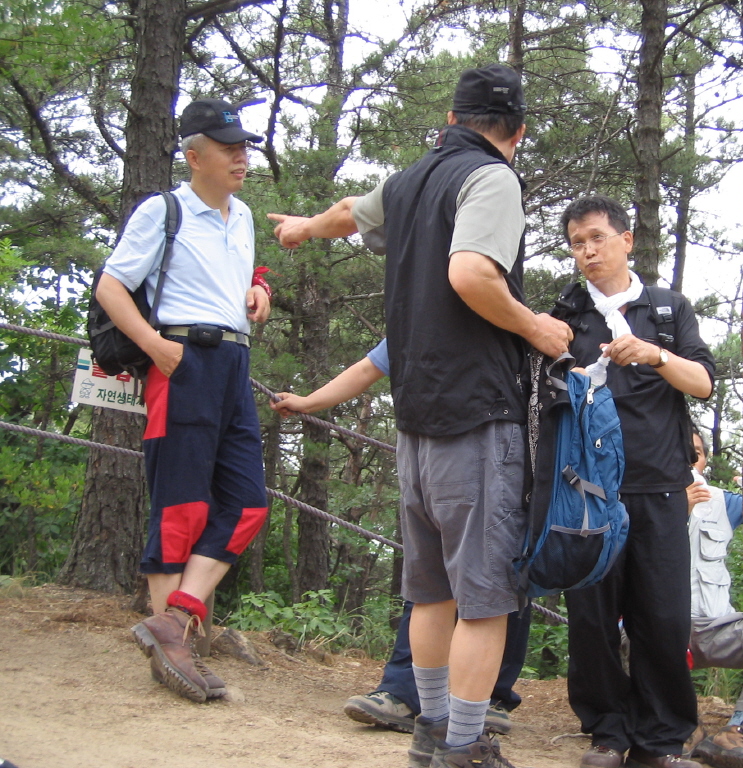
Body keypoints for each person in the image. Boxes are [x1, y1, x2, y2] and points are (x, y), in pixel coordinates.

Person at [268, 64, 571, 768]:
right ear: (517, 132)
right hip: (477, 416)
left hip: (415, 423)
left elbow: (351, 212)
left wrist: (304, 230)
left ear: (452, 118)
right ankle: (464, 746)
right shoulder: (492, 177)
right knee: (486, 600)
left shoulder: (407, 181)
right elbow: (470, 273)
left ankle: (432, 733)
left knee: (431, 593)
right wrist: (535, 328)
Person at [95, 98, 271, 703]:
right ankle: (174, 652)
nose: (241, 157)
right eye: (228, 148)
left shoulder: (242, 216)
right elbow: (112, 285)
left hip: (234, 365)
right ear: (194, 157)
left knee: (247, 504)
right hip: (181, 360)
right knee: (181, 506)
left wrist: (257, 288)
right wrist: (153, 346)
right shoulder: (162, 210)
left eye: (243, 147)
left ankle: (173, 620)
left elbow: (229, 274)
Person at [269, 341, 531, 737]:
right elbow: (369, 366)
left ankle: (464, 711)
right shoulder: (485, 313)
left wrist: (309, 402)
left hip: (443, 446)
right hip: (468, 443)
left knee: (461, 588)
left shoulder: (427, 314)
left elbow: (367, 367)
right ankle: (451, 730)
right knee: (476, 592)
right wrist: (308, 402)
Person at [552, 195, 715, 768]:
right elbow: (542, 391)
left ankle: (661, 741)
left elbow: (704, 383)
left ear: (627, 240)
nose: (587, 251)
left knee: (663, 618)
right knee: (591, 617)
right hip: (587, 490)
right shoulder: (567, 314)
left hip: (661, 485)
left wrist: (654, 355)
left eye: (597, 237)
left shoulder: (667, 310)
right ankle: (607, 733)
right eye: (577, 243)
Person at [683, 428, 743, 768]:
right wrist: (675, 509)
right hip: (663, 626)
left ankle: (737, 729)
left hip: (718, 626)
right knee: (630, 634)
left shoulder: (726, 502)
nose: (689, 460)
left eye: (696, 453)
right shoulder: (640, 500)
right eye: (681, 451)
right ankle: (683, 728)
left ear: (705, 460)